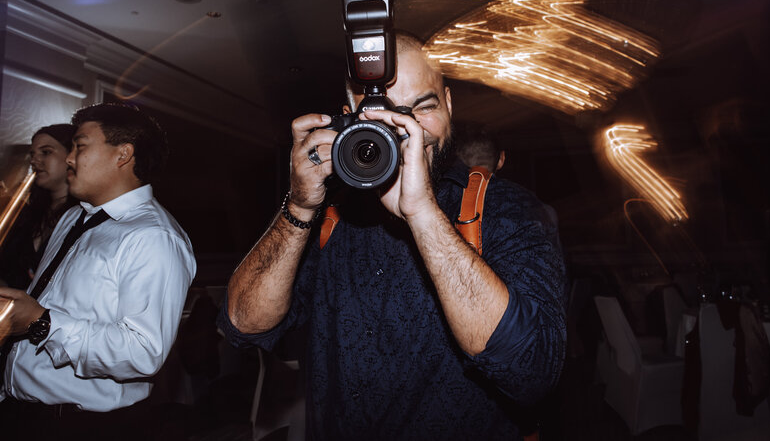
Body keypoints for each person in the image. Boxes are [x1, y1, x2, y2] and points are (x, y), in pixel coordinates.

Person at [219, 33, 566, 440]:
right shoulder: (329, 212)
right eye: (386, 115)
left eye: (423, 107)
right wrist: (298, 207)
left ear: (449, 105)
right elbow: (244, 324)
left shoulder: (505, 207)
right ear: (348, 117)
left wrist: (422, 214)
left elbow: (533, 371)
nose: (408, 131)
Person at [0, 103, 196, 440]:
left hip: (80, 426)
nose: (70, 158)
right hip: (21, 412)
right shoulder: (74, 218)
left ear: (122, 154)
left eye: (80, 146)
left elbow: (143, 353)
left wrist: (42, 323)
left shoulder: (153, 237)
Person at [0, 124, 78, 290]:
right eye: (32, 154)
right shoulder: (26, 214)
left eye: (46, 152)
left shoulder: (84, 216)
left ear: (72, 155)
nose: (34, 161)